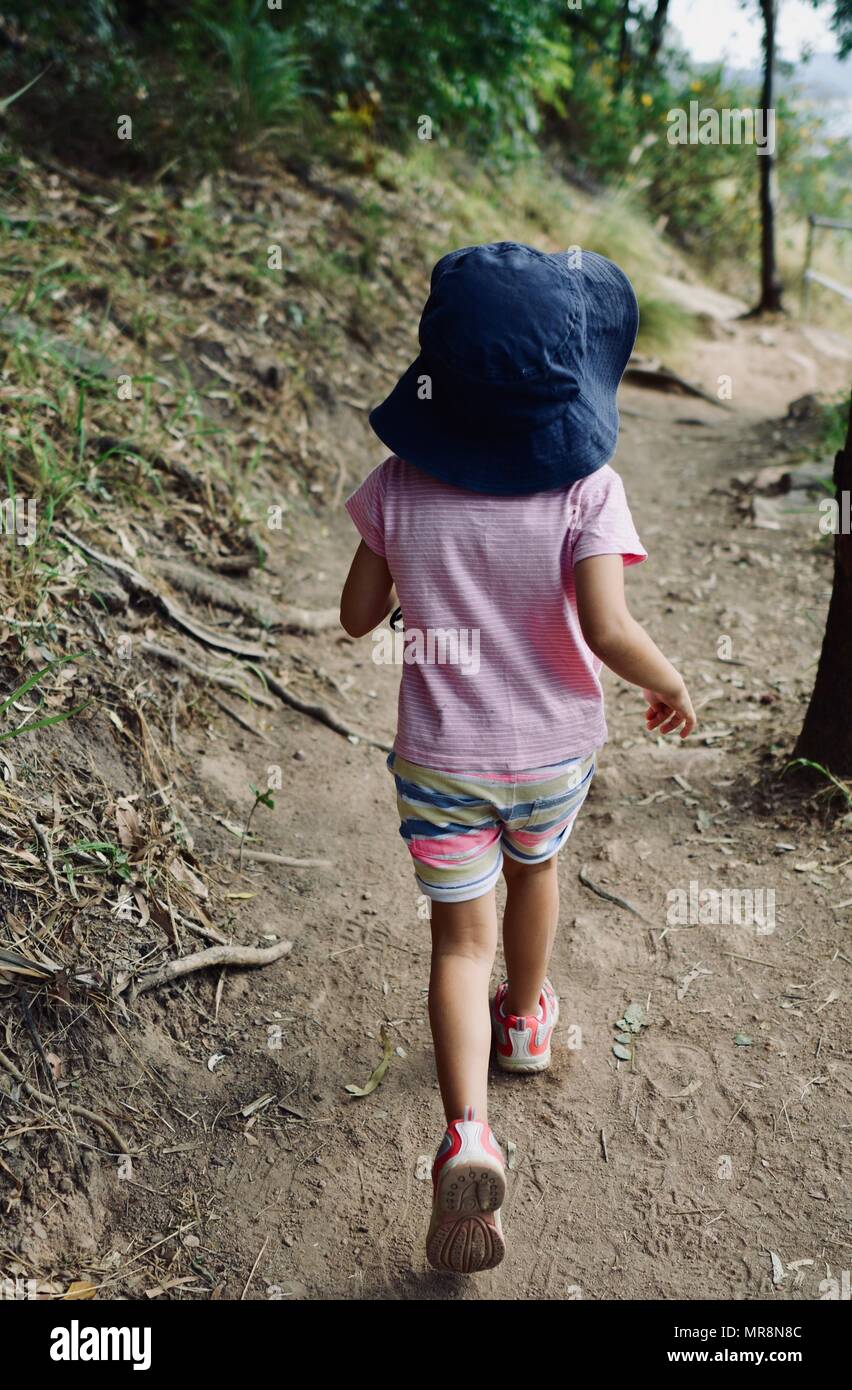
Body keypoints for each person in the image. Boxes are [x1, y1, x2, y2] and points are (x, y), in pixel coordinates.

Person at [340, 241, 696, 1274]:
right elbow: (608, 626)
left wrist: (414, 582)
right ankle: (528, 1022)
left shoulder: (400, 482)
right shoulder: (590, 487)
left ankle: (467, 1131)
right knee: (537, 871)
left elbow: (359, 615)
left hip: (442, 758)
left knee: (458, 940)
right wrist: (668, 680)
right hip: (551, 756)